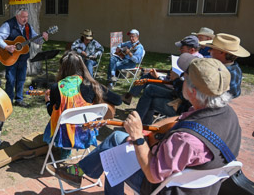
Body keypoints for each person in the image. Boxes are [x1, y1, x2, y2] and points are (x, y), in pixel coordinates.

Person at [46, 56, 241, 195]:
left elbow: (153, 174)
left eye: (183, 77)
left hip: (165, 187)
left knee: (112, 157)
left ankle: (78, 172)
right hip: (201, 185)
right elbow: (180, 119)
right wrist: (149, 131)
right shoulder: (228, 115)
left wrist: (139, 138)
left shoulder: (187, 140)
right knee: (116, 138)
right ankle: (77, 171)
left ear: (191, 90)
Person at [43, 51, 121, 159]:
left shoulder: (56, 87)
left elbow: (51, 113)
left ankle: (64, 151)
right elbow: (118, 100)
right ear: (82, 66)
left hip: (63, 136)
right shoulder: (92, 85)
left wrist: (47, 101)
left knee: (59, 118)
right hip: (86, 134)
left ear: (62, 68)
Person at [122, 35, 202, 106]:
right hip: (172, 83)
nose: (179, 50)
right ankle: (130, 97)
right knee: (148, 76)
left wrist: (159, 77)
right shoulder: (193, 57)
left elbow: (180, 81)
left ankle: (130, 98)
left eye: (182, 48)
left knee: (148, 83)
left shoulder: (196, 62)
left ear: (191, 50)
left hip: (175, 89)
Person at [0, 8, 48, 107]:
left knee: (21, 79)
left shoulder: (28, 27)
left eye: (26, 17)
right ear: (17, 16)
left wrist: (43, 38)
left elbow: (35, 39)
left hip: (22, 57)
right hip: (10, 57)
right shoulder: (8, 25)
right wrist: (7, 47)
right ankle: (8, 100)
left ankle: (19, 100)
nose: (25, 19)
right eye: (23, 17)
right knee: (10, 79)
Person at [200, 33, 250, 98]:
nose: (209, 51)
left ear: (221, 52)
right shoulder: (234, 67)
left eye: (212, 49)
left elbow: (232, 94)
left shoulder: (227, 72)